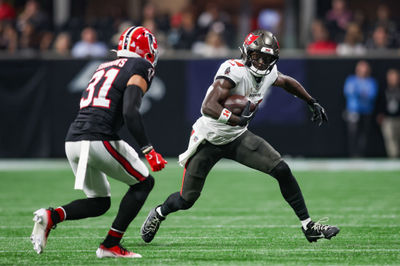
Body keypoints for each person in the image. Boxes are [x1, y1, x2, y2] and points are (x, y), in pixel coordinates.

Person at [141, 29, 339, 244]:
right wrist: (236, 119)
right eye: (257, 56)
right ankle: (160, 212)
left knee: (281, 169)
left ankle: (308, 226)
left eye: (267, 58)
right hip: (209, 138)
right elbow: (207, 106)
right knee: (186, 199)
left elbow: (287, 81)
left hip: (236, 137)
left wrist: (311, 101)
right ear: (246, 53)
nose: (262, 63)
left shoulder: (270, 73)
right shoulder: (233, 70)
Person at [30, 26, 167, 258]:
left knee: (99, 202)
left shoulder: (104, 65)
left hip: (73, 140)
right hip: (98, 139)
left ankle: (51, 216)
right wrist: (148, 149)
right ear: (146, 50)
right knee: (144, 183)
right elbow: (130, 112)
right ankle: (110, 245)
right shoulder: (140, 66)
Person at [343, 60, 378, 157]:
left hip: (366, 111)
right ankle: (353, 154)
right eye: (361, 68)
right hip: (353, 111)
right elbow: (348, 92)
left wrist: (359, 93)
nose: (363, 70)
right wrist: (362, 93)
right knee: (353, 133)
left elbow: (372, 95)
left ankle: (362, 154)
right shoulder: (351, 80)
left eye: (365, 68)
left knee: (364, 134)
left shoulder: (371, 82)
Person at [377, 69, 400, 158]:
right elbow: (379, 103)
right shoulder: (384, 89)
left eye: (395, 77)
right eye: (391, 77)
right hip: (388, 119)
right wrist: (380, 114)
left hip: (398, 117)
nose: (393, 79)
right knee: (390, 139)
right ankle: (394, 158)